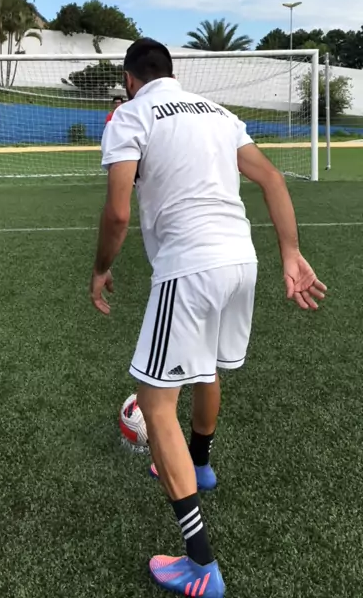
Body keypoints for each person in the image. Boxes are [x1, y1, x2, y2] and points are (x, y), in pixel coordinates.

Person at [89, 37, 326, 597]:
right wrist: (291, 253)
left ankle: (201, 565)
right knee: (205, 369)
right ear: (172, 72)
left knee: (154, 402)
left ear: (130, 79)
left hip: (189, 267)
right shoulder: (218, 113)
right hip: (241, 261)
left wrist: (100, 268)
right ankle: (200, 464)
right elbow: (272, 179)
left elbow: (118, 212)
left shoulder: (131, 115)